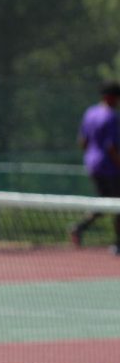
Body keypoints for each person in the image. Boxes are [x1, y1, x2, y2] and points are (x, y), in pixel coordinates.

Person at [71, 81, 120, 254]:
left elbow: (82, 142)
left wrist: (91, 156)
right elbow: (111, 147)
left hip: (93, 165)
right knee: (116, 204)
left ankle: (79, 227)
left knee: (105, 202)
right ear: (110, 97)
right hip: (110, 168)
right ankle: (118, 244)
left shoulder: (90, 113)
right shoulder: (111, 116)